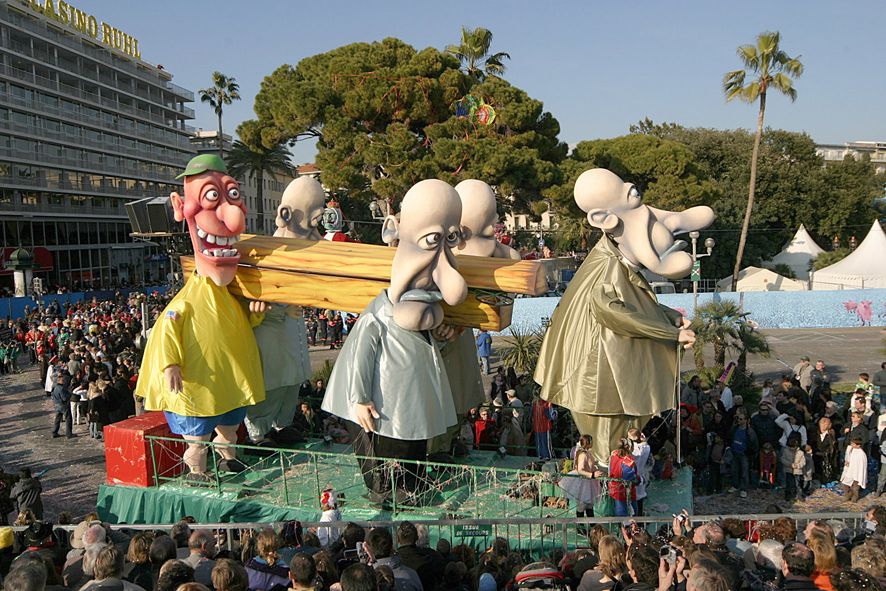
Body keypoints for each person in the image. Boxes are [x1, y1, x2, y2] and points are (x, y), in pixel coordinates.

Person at [560, 434, 604, 529]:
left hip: (589, 481)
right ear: (588, 443)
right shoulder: (583, 454)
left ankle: (592, 526)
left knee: (589, 504)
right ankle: (580, 526)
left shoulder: (587, 453)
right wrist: (592, 475)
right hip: (584, 481)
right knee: (582, 504)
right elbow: (580, 469)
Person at [729, 413, 758, 498]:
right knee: (734, 470)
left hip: (744, 454)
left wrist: (750, 453)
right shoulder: (734, 429)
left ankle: (743, 489)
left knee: (744, 472)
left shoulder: (750, 431)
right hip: (735, 452)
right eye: (738, 419)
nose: (739, 420)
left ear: (746, 420)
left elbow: (754, 443)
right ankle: (735, 485)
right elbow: (731, 437)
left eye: (741, 419)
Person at [608, 438, 637, 516]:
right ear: (629, 447)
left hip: (613, 489)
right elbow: (632, 479)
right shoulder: (629, 462)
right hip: (625, 492)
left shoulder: (613, 455)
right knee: (629, 514)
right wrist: (641, 479)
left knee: (617, 512)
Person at [840, 437, 867, 503]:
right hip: (850, 471)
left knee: (855, 488)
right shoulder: (851, 449)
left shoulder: (861, 454)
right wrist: (847, 461)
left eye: (853, 444)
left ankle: (854, 498)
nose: (852, 445)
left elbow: (862, 466)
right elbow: (848, 458)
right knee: (844, 484)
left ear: (858, 445)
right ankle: (848, 495)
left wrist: (859, 475)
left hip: (857, 473)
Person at [530, 394, 556, 461]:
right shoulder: (547, 404)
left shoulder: (534, 404)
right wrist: (556, 412)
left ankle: (540, 456)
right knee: (546, 443)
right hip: (545, 426)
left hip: (537, 426)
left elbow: (531, 416)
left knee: (539, 443)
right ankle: (547, 456)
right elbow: (551, 416)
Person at [50, 371, 75, 439]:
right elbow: (64, 398)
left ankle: (54, 432)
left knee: (57, 419)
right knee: (68, 419)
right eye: (62, 380)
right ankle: (68, 434)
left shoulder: (55, 388)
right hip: (63, 405)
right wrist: (70, 393)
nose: (64, 381)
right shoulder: (61, 388)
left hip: (57, 405)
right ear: (59, 381)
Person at [782, 433, 806, 502]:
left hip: (797, 471)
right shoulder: (786, 451)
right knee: (789, 484)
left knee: (797, 484)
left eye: (794, 447)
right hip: (788, 470)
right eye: (791, 447)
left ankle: (799, 495)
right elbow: (782, 459)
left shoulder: (800, 452)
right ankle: (789, 496)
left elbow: (803, 462)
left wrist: (798, 466)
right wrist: (790, 464)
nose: (792, 449)